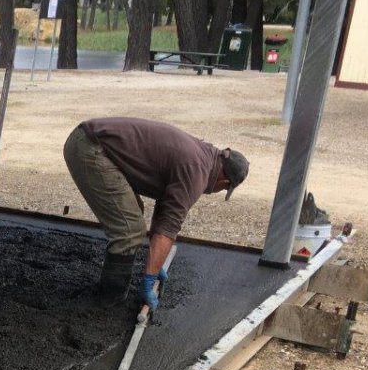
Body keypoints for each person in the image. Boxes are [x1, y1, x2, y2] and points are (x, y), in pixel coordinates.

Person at [63, 117, 249, 311]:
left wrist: (156, 260)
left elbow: (163, 213)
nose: (215, 191)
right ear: (224, 182)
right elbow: (167, 228)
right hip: (90, 149)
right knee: (129, 229)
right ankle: (108, 301)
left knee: (133, 213)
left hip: (91, 140)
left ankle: (112, 292)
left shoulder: (203, 157)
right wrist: (149, 278)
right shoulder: (197, 172)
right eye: (222, 190)